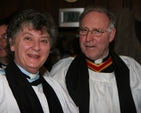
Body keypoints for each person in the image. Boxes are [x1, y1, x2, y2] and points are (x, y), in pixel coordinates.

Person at [49, 5, 141, 113]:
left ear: (111, 35)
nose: (88, 38)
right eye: (84, 30)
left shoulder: (133, 70)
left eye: (97, 31)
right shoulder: (62, 72)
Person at [0, 9, 79, 113]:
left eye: (43, 41)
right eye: (28, 38)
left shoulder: (56, 88)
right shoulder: (2, 85)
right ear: (12, 44)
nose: (36, 47)